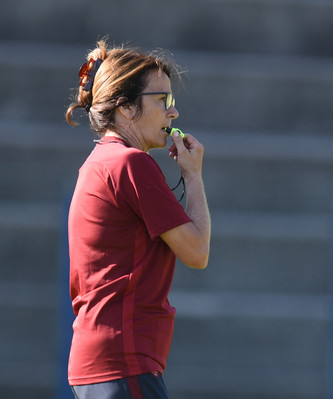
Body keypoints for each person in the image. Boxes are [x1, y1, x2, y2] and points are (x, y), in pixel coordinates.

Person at [64, 39, 211, 399]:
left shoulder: (99, 162)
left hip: (97, 363)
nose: (172, 113)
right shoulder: (131, 163)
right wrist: (193, 176)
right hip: (124, 361)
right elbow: (197, 252)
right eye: (162, 101)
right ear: (127, 107)